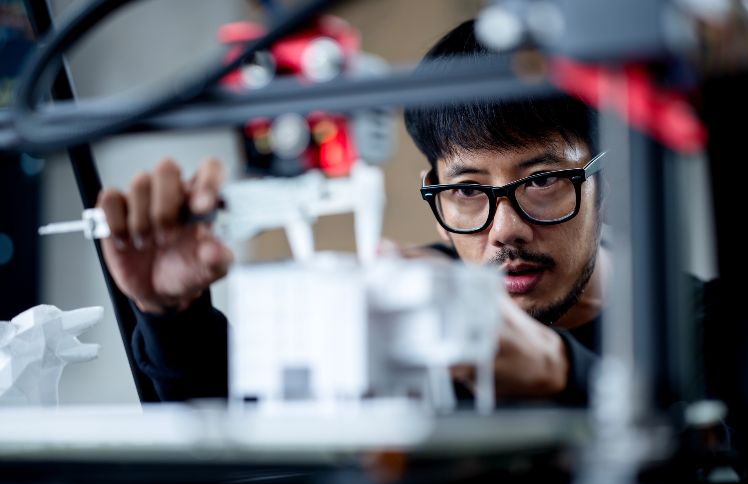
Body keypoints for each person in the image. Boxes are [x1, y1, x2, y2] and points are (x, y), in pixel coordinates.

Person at [96, 20, 706, 405]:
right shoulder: (406, 313)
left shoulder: (705, 327)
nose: (505, 229)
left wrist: (563, 372)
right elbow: (245, 438)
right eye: (468, 190)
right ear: (434, 195)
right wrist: (171, 315)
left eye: (542, 180)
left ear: (609, 180)